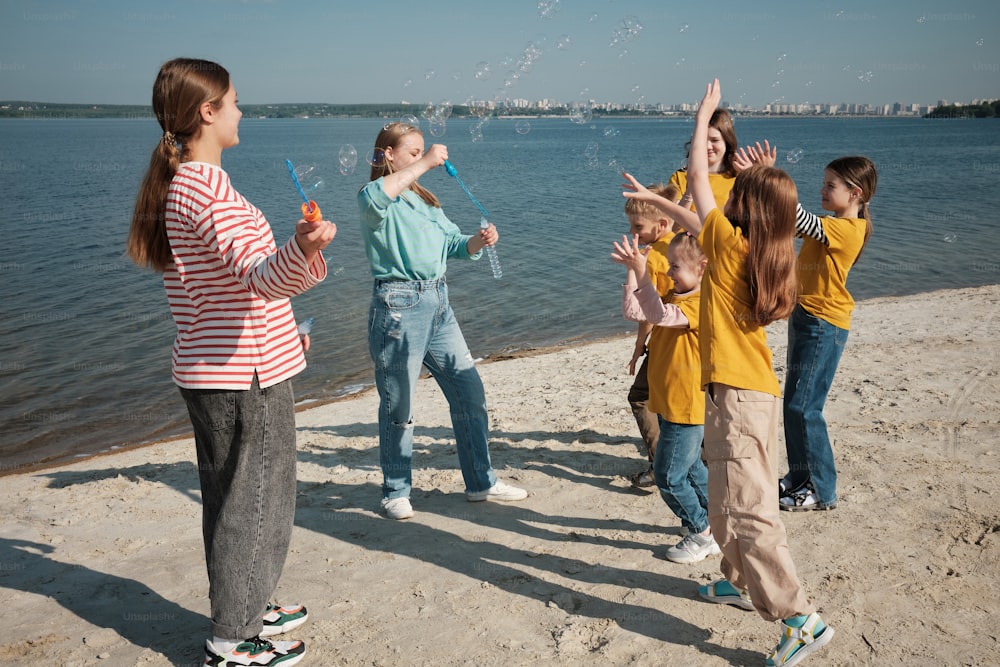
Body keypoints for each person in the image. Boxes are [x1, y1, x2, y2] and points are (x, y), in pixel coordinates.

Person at [127, 57, 334, 667]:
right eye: (235, 101)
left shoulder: (187, 184)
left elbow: (235, 286)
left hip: (214, 368)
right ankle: (232, 639)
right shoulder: (207, 188)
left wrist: (293, 260)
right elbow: (263, 278)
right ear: (207, 112)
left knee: (232, 496)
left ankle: (247, 603)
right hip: (245, 375)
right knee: (259, 498)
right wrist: (303, 247)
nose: (242, 111)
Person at [622, 79, 833, 667]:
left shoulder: (731, 246)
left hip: (739, 398)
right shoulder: (763, 249)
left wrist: (702, 117)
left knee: (751, 509)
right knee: (721, 502)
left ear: (744, 210)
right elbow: (687, 203)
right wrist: (657, 199)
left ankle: (799, 619)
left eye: (738, 195)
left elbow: (695, 182)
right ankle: (737, 581)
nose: (726, 198)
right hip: (733, 393)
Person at [357, 121, 527, 520]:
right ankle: (395, 490)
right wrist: (428, 162)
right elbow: (376, 197)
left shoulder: (426, 201)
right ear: (388, 155)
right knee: (399, 405)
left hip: (438, 304)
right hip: (398, 306)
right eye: (412, 151)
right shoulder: (375, 198)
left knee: (470, 394)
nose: (422, 157)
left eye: (421, 151)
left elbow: (454, 245)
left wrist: (478, 241)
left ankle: (480, 481)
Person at [613, 231, 720, 564]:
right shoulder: (676, 296)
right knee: (690, 470)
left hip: (685, 406)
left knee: (668, 476)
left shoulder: (702, 304)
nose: (670, 272)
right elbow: (636, 312)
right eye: (669, 265)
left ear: (702, 267)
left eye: (676, 266)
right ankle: (715, 521)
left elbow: (658, 316)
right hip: (669, 401)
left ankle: (701, 532)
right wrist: (633, 270)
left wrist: (643, 271)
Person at [778, 156, 878, 510]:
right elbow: (791, 226)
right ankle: (799, 476)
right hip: (806, 316)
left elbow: (796, 217)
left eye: (829, 185)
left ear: (855, 193)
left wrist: (772, 177)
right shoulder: (830, 223)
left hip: (824, 325)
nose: (822, 190)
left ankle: (822, 490)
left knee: (807, 408)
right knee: (792, 405)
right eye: (823, 183)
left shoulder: (849, 229)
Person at [622, 182, 681, 489]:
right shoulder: (682, 243)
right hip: (685, 335)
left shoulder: (653, 257)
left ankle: (661, 466)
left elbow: (646, 312)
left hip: (665, 340)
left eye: (638, 226)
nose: (633, 232)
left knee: (641, 398)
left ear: (661, 223)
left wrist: (638, 347)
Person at [668, 107, 739, 211]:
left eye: (714, 140)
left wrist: (763, 171)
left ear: (727, 142)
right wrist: (689, 193)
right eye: (702, 140)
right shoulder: (680, 177)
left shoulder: (739, 178)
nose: (708, 146)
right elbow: (673, 223)